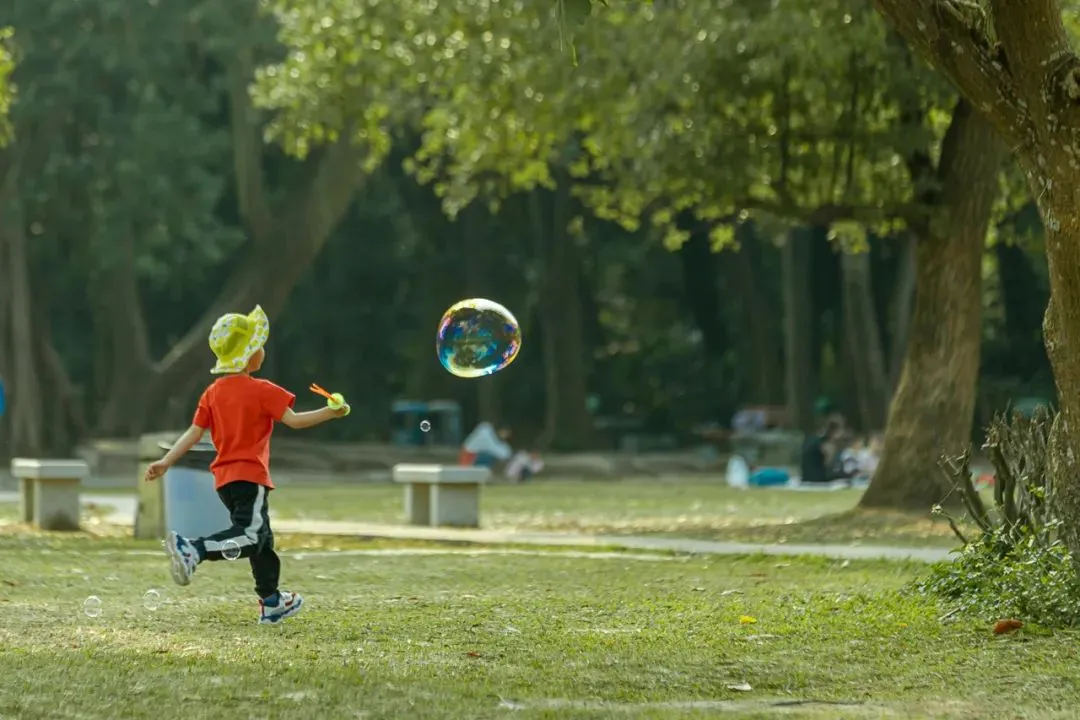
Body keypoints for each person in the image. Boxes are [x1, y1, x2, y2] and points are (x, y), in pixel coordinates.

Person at [144, 305, 349, 625]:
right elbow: (294, 421)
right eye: (259, 345)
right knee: (251, 536)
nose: (263, 350)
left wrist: (166, 461)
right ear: (250, 354)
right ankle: (193, 549)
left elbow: (194, 433)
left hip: (225, 481)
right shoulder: (262, 390)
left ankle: (271, 601)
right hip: (250, 476)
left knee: (262, 539)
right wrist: (330, 412)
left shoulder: (212, 393)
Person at [800, 419, 851, 484]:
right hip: (817, 478)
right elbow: (828, 464)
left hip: (805, 476)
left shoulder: (815, 438)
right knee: (845, 476)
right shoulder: (825, 443)